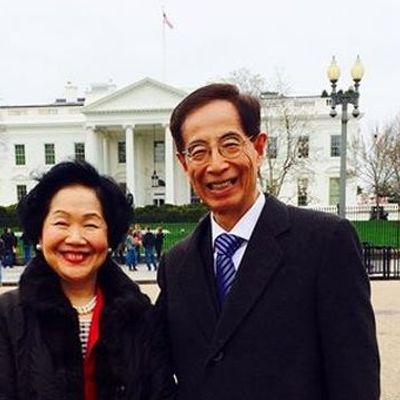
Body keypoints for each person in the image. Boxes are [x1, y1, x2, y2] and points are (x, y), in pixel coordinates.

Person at [156, 83, 380, 400]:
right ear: (183, 163)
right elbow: (157, 369)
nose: (216, 165)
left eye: (230, 145)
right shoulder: (176, 263)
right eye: (199, 151)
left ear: (259, 148)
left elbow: (355, 381)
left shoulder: (325, 243)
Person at [0, 160, 175, 400]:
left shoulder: (139, 315)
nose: (75, 238)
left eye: (90, 224)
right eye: (61, 223)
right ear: (39, 233)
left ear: (110, 236)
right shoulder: (8, 316)